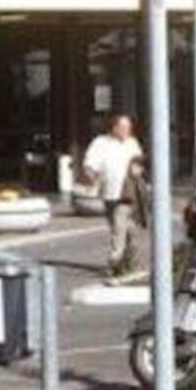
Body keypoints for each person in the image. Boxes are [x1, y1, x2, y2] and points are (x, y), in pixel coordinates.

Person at [82, 114, 145, 279]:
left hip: (127, 193)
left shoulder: (132, 143)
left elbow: (138, 162)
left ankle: (115, 262)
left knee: (119, 227)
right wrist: (90, 177)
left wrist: (137, 169)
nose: (127, 131)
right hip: (109, 193)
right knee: (125, 229)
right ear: (114, 128)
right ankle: (130, 262)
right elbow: (90, 165)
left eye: (129, 128)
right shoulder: (100, 143)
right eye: (123, 127)